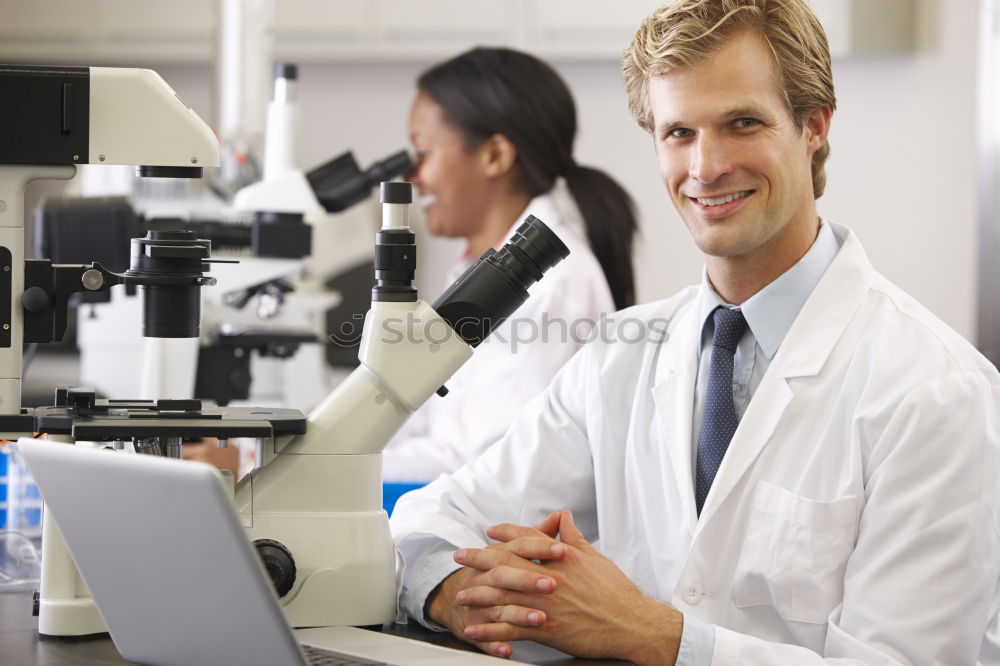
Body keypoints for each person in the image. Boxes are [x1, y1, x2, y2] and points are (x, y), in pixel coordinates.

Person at [389, 1, 1000, 664]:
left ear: (814, 126)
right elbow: (428, 519)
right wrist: (453, 595)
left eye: (742, 123)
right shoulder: (620, 358)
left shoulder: (935, 391)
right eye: (679, 133)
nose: (706, 167)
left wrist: (650, 634)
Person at [382, 47, 638, 480]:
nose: (413, 176)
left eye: (423, 154)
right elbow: (423, 418)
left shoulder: (553, 282)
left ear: (495, 156)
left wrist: (319, 469)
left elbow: (485, 462)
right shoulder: (474, 267)